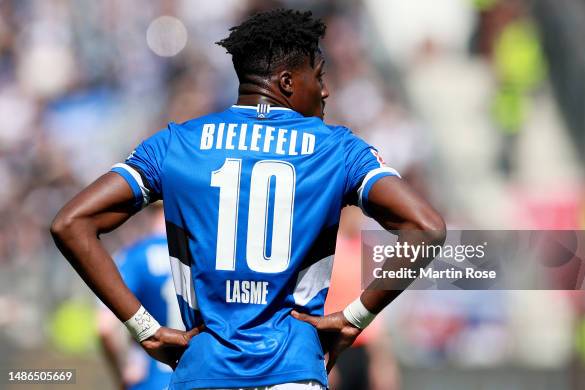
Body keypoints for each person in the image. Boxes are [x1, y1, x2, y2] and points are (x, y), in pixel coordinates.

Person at [50, 9, 445, 390]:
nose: (325, 90)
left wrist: (144, 329)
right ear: (288, 82)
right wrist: (354, 319)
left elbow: (71, 223)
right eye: (319, 76)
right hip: (294, 371)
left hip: (202, 371)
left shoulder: (176, 144)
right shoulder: (338, 150)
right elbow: (425, 228)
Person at [97, 204, 181, 390]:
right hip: (197, 379)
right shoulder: (201, 258)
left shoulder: (133, 257)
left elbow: (104, 327)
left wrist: (122, 371)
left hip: (149, 380)